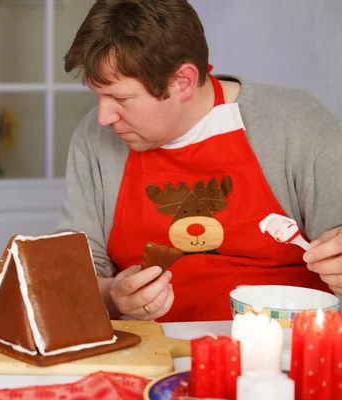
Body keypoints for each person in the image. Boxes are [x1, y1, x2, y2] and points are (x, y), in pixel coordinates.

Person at [58, 0, 342, 322]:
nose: (104, 117)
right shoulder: (94, 140)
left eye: (121, 99)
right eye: (97, 95)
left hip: (287, 349)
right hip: (149, 350)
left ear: (183, 82)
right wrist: (113, 295)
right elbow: (74, 282)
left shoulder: (295, 124)